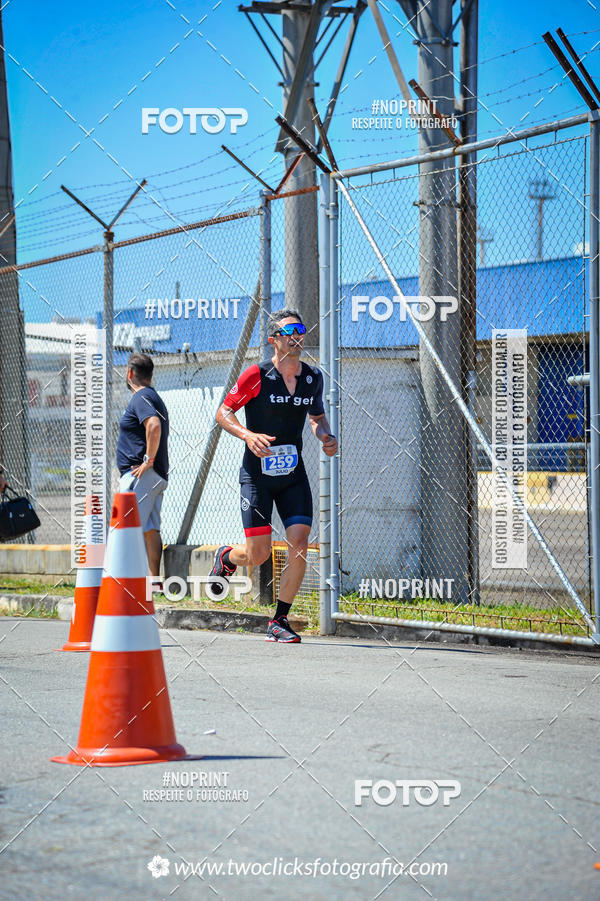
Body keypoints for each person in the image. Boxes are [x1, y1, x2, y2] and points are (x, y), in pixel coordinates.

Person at [212, 308, 338, 643]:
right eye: (289, 330)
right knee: (259, 555)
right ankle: (226, 557)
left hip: (292, 475)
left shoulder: (312, 378)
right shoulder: (256, 375)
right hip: (257, 477)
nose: (297, 335)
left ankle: (279, 620)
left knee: (299, 543)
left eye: (301, 328)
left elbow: (317, 417)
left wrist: (325, 436)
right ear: (274, 340)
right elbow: (223, 412)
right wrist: (247, 435)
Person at [116, 353, 169, 582]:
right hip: (155, 476)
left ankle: (124, 582)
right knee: (149, 528)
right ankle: (153, 582)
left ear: (130, 374)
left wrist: (148, 459)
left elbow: (154, 426)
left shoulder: (140, 397)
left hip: (141, 474)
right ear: (151, 374)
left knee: (124, 528)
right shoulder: (153, 396)